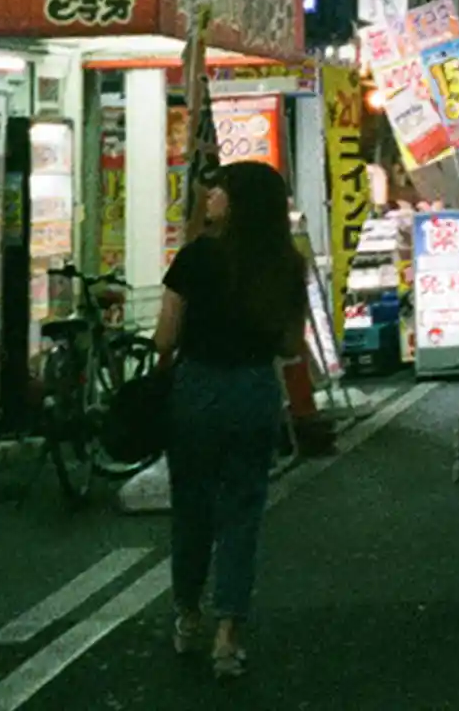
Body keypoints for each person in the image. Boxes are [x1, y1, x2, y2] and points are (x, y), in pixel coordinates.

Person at [156, 161, 307, 681]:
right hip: (254, 390)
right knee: (243, 513)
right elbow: (290, 345)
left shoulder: (196, 257)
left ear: (236, 201)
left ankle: (187, 613)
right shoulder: (286, 263)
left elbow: (164, 338)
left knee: (192, 508)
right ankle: (229, 635)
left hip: (197, 389)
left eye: (220, 190)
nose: (212, 196)